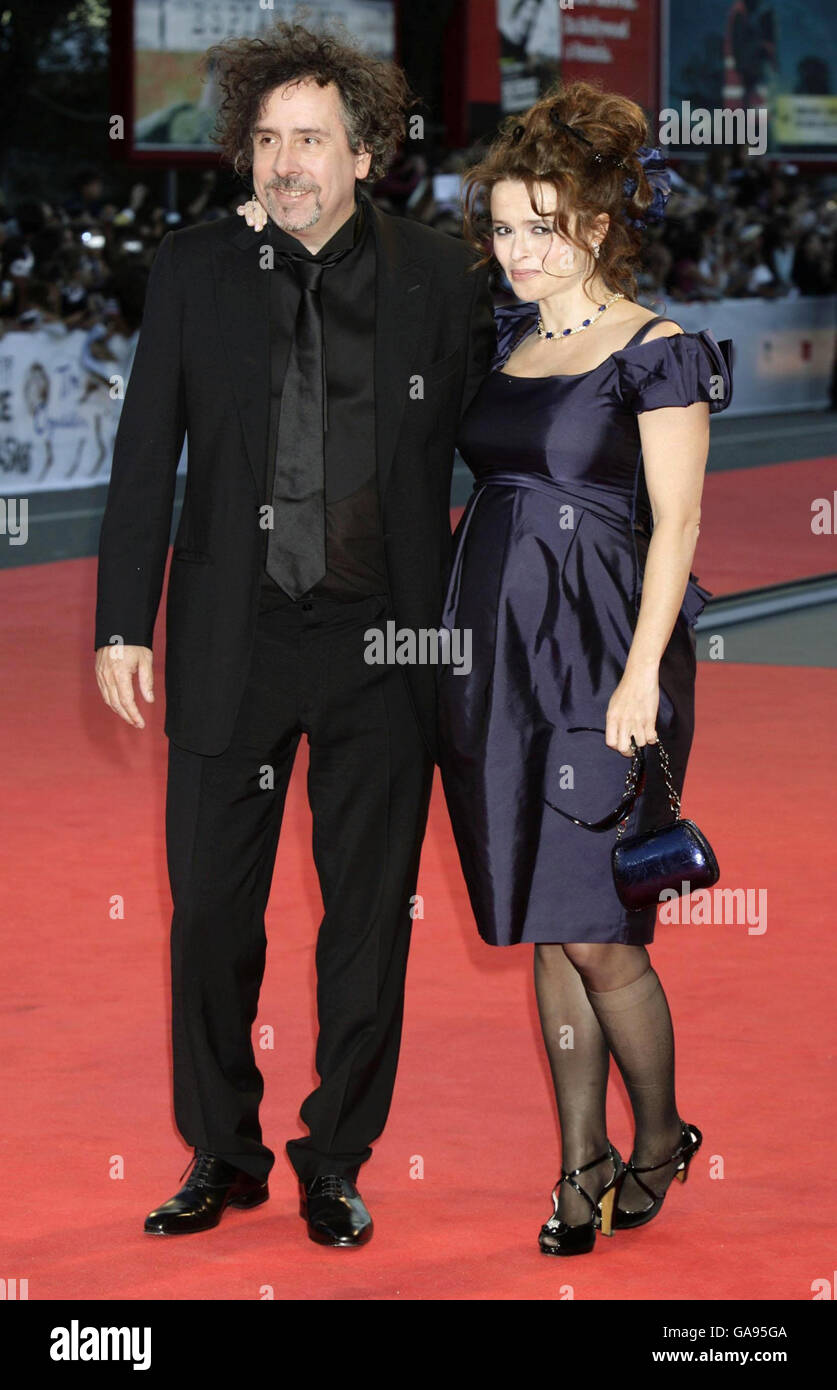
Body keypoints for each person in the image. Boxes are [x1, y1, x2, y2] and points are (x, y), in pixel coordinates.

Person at [94, 19, 495, 1247]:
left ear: (365, 151)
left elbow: (502, 443)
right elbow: (144, 453)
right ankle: (223, 1150)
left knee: (366, 922)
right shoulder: (195, 267)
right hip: (236, 632)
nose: (285, 163)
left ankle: (336, 1157)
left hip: (386, 643)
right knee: (211, 915)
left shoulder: (441, 275)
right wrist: (121, 622)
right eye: (267, 139)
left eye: (310, 139)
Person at [436, 81, 733, 1256]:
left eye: (541, 228)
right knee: (544, 919)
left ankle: (657, 1136)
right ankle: (580, 1164)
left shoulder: (659, 353)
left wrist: (641, 675)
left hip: (603, 659)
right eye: (504, 227)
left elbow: (680, 524)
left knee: (601, 931)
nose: (515, 250)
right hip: (495, 659)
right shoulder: (509, 341)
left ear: (598, 227)